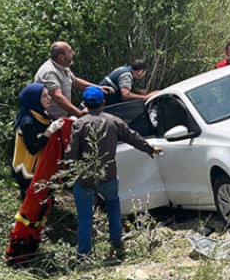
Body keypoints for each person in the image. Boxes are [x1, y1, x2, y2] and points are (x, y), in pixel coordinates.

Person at [67, 87, 163, 258]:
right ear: (103, 102)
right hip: (108, 176)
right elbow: (132, 136)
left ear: (85, 105)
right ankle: (117, 243)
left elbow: (70, 154)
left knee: (84, 216)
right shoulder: (113, 121)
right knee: (113, 206)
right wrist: (149, 149)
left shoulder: (79, 125)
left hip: (85, 178)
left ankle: (84, 253)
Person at [11, 83, 66, 200]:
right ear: (34, 100)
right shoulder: (27, 122)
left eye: (48, 95)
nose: (49, 98)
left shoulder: (41, 112)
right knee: (30, 200)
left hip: (40, 164)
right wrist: (50, 131)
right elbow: (33, 148)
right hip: (27, 169)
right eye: (44, 96)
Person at [34, 41, 114, 120]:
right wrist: (79, 113)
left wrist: (98, 87)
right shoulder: (49, 71)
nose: (74, 53)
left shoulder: (63, 66)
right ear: (61, 57)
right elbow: (57, 96)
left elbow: (75, 81)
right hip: (49, 118)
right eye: (70, 51)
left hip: (62, 116)